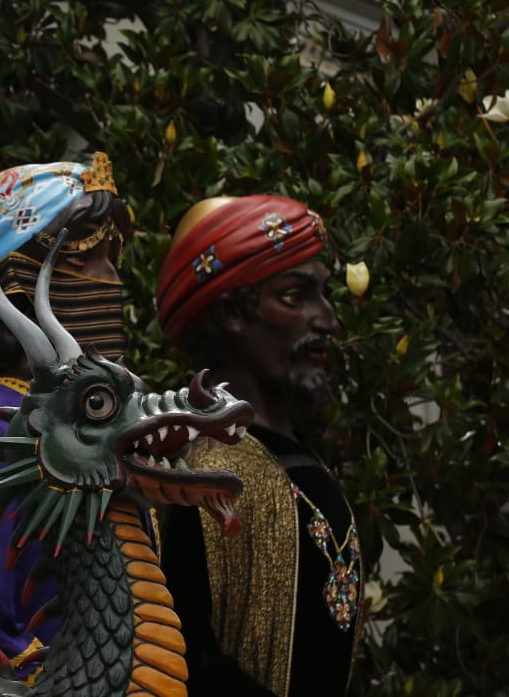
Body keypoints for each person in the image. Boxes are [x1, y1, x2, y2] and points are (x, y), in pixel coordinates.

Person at [0, 153, 132, 676]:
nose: (114, 283)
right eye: (86, 260)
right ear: (16, 277)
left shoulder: (104, 427)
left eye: (113, 260)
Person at [154, 195, 363, 697]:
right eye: (295, 297)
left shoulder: (287, 462)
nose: (328, 321)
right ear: (230, 313)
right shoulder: (200, 477)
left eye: (323, 295)